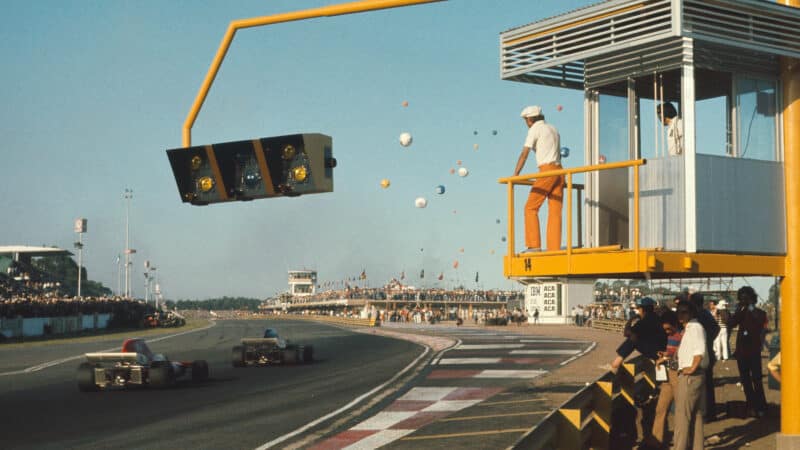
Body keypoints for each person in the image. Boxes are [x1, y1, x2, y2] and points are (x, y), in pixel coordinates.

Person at [609, 297, 666, 446]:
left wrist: (632, 319)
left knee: (656, 405)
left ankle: (652, 439)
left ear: (641, 309)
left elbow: (629, 334)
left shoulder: (646, 322)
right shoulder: (656, 319)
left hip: (657, 359)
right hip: (658, 357)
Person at [514, 105, 564, 252]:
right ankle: (553, 248)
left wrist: (515, 175)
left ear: (529, 119)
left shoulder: (534, 129)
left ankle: (534, 245)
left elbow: (524, 153)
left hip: (546, 171)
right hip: (560, 171)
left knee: (530, 207)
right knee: (555, 211)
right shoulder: (553, 128)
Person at [727, 286, 768, 418]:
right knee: (745, 381)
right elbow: (731, 323)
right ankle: (751, 406)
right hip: (742, 352)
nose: (743, 300)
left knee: (757, 380)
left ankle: (761, 407)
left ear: (752, 298)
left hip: (753, 351)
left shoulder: (759, 312)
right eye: (742, 298)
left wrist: (749, 307)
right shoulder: (741, 312)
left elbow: (759, 319)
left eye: (746, 298)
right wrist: (740, 310)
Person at [673, 301, 709, 450]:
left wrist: (691, 368)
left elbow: (699, 351)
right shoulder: (691, 328)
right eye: (679, 312)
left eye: (685, 312)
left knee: (682, 417)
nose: (681, 315)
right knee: (696, 416)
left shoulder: (694, 327)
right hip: (696, 375)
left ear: (692, 313)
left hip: (690, 376)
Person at [650, 309, 683, 449]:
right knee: (660, 409)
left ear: (675, 324)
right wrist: (664, 354)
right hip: (668, 376)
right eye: (665, 329)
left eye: (669, 329)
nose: (667, 332)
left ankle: (681, 442)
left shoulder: (683, 336)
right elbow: (671, 352)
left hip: (678, 375)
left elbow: (680, 359)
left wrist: (665, 358)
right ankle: (656, 441)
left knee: (681, 411)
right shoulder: (670, 336)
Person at [690, 292, 720, 422]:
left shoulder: (697, 315)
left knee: (700, 384)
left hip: (699, 354)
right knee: (708, 384)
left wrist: (703, 340)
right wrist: (709, 340)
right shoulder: (706, 313)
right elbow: (717, 328)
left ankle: (703, 412)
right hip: (708, 351)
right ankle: (710, 411)